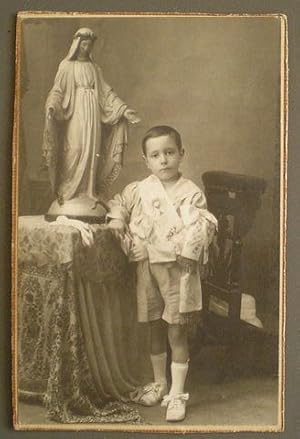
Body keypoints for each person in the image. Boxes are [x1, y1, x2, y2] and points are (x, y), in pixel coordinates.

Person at [106, 126, 217, 422]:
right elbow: (119, 204)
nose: (163, 160)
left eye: (169, 153)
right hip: (147, 272)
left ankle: (177, 394)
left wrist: (151, 250)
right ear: (146, 160)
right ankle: (160, 382)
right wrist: (118, 219)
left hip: (176, 270)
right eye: (156, 155)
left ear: (181, 154)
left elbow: (195, 234)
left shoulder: (191, 194)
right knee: (153, 325)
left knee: (176, 329)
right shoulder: (141, 189)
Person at [42, 27, 140, 208]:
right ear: (76, 45)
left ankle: (88, 191)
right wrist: (52, 106)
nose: (86, 48)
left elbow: (106, 93)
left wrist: (124, 110)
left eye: (89, 45)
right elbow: (57, 91)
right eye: (83, 44)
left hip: (93, 113)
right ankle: (67, 190)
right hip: (76, 111)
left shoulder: (95, 68)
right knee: (75, 149)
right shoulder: (66, 66)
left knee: (92, 152)